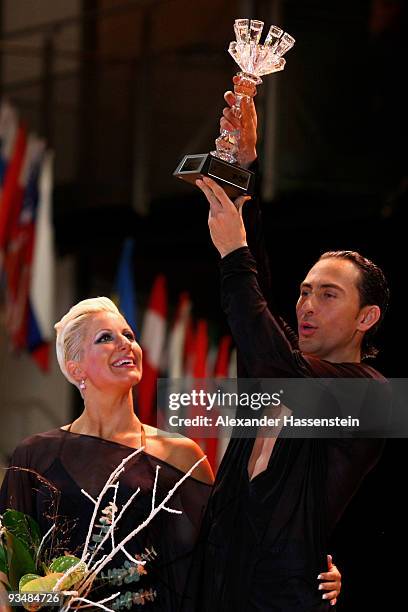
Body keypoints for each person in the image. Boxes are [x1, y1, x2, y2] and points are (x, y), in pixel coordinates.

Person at [193, 78, 389, 611]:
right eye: (303, 293)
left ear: (365, 318)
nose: (306, 305)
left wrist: (234, 254)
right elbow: (263, 329)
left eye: (328, 295)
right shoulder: (283, 368)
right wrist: (243, 172)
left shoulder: (373, 398)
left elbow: (272, 360)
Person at [0, 297, 213, 611]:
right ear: (76, 368)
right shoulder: (34, 456)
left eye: (129, 335)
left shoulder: (180, 455)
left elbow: (216, 566)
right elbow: (9, 590)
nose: (126, 344)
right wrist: (51, 598)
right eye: (106, 338)